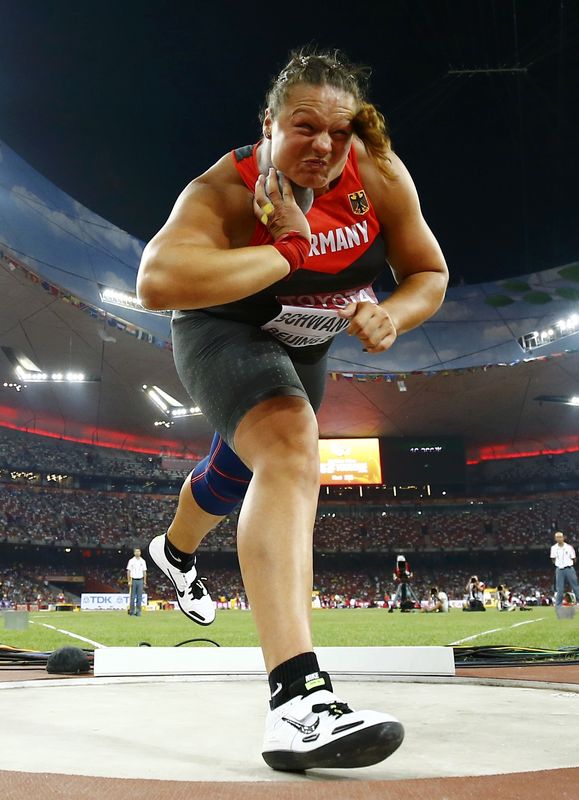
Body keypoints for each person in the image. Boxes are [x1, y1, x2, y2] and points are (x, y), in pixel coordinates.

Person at [137, 45, 448, 771]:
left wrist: (396, 314)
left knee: (243, 467)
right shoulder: (224, 184)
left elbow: (427, 271)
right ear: (268, 124)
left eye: (338, 131)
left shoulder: (378, 171)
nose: (323, 146)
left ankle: (174, 550)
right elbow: (158, 281)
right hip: (224, 328)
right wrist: (285, 249)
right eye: (304, 127)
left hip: (303, 345)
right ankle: (297, 700)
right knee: (286, 447)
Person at [550, 531, 579, 607]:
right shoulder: (553, 548)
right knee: (559, 588)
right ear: (555, 539)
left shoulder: (569, 547)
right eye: (557, 537)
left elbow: (574, 558)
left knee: (575, 586)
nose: (559, 539)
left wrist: (568, 564)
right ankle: (558, 605)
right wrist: (559, 564)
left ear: (563, 538)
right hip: (559, 569)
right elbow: (553, 559)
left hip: (569, 568)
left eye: (560, 537)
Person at [126, 547, 147, 616]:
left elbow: (144, 572)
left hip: (140, 580)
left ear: (140, 552)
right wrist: (129, 581)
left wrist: (144, 581)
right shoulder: (131, 561)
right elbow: (128, 571)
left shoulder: (143, 561)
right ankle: (131, 611)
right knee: (132, 597)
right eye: (136, 551)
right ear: (134, 553)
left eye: (138, 551)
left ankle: (138, 612)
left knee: (139, 597)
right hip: (133, 580)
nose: (137, 553)